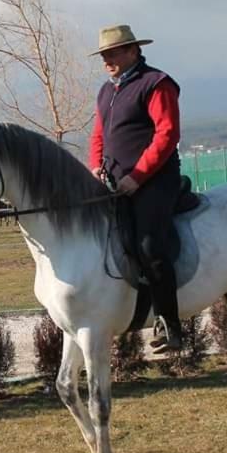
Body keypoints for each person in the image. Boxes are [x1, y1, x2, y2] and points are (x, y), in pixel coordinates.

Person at [87, 24, 183, 353]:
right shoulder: (105, 91)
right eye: (103, 55)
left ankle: (170, 325)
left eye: (112, 53)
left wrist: (138, 177)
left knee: (148, 245)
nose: (106, 60)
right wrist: (95, 167)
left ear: (132, 51)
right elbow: (99, 135)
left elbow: (167, 135)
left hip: (155, 180)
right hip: (113, 181)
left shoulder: (156, 83)